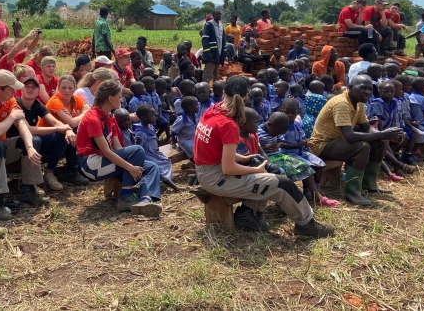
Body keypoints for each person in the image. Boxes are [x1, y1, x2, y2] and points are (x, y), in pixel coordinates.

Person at [193, 76, 334, 236]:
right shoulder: (229, 125)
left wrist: (246, 160)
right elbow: (228, 168)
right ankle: (306, 224)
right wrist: (257, 170)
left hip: (206, 170)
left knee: (259, 162)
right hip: (216, 178)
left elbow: (216, 149)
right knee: (282, 184)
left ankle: (246, 213)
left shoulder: (214, 110)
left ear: (224, 92)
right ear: (246, 96)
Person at [308, 75, 406, 206]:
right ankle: (352, 192)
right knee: (362, 146)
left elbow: (367, 128)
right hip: (321, 145)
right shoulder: (342, 103)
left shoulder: (358, 103)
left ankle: (368, 183)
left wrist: (387, 135)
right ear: (350, 88)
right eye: (363, 88)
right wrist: (382, 133)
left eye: (370, 89)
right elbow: (350, 136)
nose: (367, 92)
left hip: (338, 142)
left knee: (381, 142)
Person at [76, 80, 163, 217]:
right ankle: (125, 196)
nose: (122, 99)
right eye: (119, 96)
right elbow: (106, 151)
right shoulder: (93, 118)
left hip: (106, 159)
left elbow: (118, 148)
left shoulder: (110, 118)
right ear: (110, 99)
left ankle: (145, 201)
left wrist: (132, 165)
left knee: (152, 167)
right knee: (137, 151)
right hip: (91, 164)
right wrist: (130, 168)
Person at [0, 69, 44, 219]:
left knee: (32, 141)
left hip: (0, 146)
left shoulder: (9, 100)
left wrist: (30, 147)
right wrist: (11, 117)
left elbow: (21, 123)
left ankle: (28, 188)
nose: (15, 92)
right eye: (11, 88)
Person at [15, 76, 73, 191]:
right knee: (36, 139)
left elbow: (54, 121)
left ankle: (49, 173)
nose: (30, 89)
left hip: (33, 143)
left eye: (34, 87)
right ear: (21, 89)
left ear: (38, 92)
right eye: (27, 87)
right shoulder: (16, 104)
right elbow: (29, 129)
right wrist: (57, 128)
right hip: (16, 143)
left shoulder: (37, 104)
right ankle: (32, 183)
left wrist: (67, 129)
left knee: (61, 136)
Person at [41, 75, 91, 186]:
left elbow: (89, 112)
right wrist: (84, 113)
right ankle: (51, 172)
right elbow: (73, 122)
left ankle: (75, 168)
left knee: (81, 127)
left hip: (63, 133)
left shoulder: (76, 99)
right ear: (58, 87)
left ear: (75, 88)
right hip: (46, 136)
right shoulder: (55, 101)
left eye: (70, 88)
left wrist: (84, 113)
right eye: (63, 88)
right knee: (73, 128)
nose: (67, 91)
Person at [134, 104, 182, 191]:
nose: (155, 117)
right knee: (158, 167)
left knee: (166, 161)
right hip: (147, 155)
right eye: (152, 115)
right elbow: (139, 148)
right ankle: (175, 187)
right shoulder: (141, 132)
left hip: (154, 152)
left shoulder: (150, 126)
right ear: (144, 118)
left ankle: (164, 181)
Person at [171, 96, 199, 161]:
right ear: (190, 108)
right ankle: (194, 162)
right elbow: (173, 131)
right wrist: (173, 140)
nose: (198, 106)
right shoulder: (182, 119)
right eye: (197, 105)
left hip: (193, 138)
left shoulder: (195, 116)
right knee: (192, 149)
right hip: (185, 141)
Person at [201, 9, 225, 83]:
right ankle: (204, 90)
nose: (219, 15)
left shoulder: (221, 26)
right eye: (217, 14)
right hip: (211, 55)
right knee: (207, 75)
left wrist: (223, 54)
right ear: (213, 15)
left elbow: (223, 40)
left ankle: (215, 91)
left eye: (220, 14)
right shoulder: (209, 25)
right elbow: (204, 39)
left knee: (216, 76)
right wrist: (208, 54)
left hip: (218, 54)